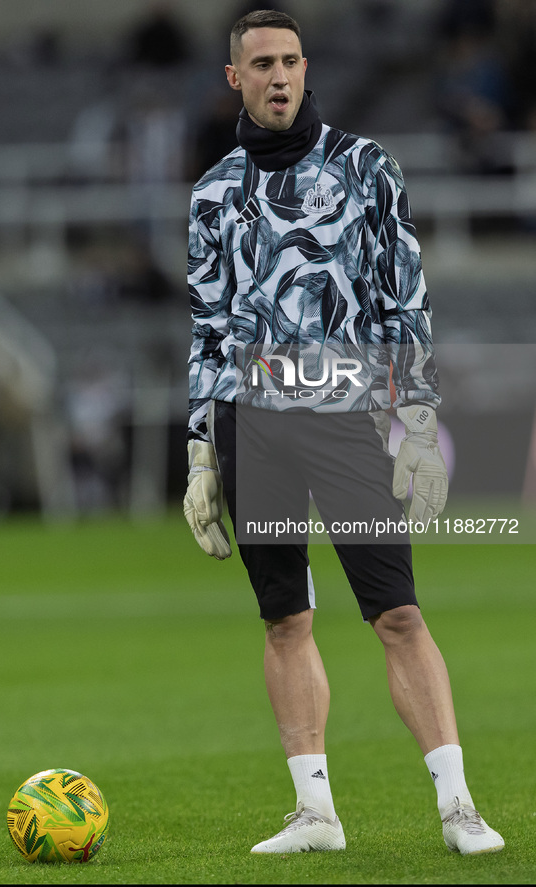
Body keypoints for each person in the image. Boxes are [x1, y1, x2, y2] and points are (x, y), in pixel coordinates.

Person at [184, 9, 504, 856]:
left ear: (303, 66)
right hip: (250, 425)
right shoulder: (214, 191)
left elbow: (406, 303)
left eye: (290, 59)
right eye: (262, 64)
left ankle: (458, 805)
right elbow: (209, 327)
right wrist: (197, 452)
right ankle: (315, 812)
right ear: (236, 78)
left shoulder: (366, 168)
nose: (279, 75)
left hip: (348, 417)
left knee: (396, 611)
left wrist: (419, 422)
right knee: (285, 618)